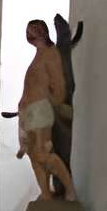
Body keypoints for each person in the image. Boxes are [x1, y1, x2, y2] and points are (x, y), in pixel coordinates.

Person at [12, 17, 78, 201]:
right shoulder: (38, 56)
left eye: (33, 30)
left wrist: (52, 101)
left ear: (43, 32)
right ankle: (46, 193)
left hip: (40, 109)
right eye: (28, 30)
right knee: (33, 155)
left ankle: (70, 189)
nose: (30, 34)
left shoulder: (50, 53)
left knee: (42, 152)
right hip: (28, 111)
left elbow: (59, 84)